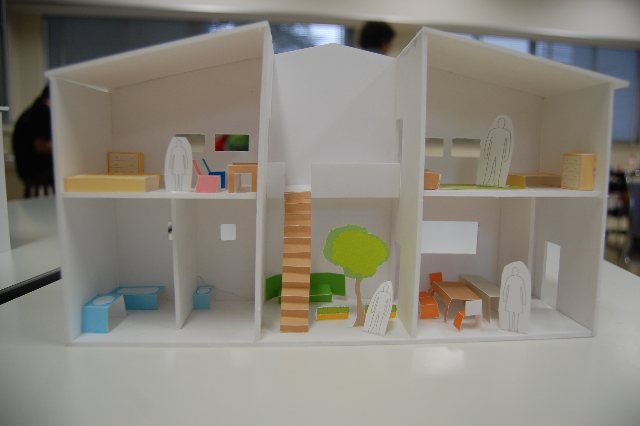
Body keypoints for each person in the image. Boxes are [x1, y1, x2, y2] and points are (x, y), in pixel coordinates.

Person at [11, 86, 54, 198]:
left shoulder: (30, 111)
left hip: (24, 169)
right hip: (37, 170)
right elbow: (40, 146)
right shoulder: (43, 110)